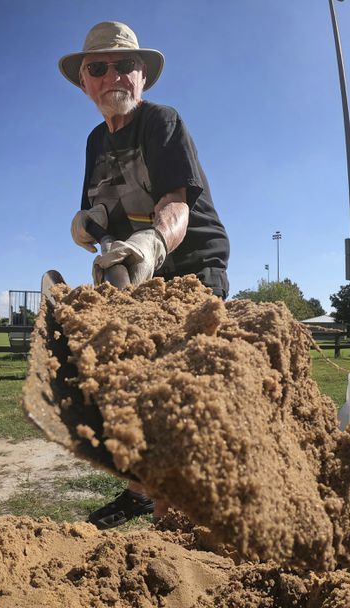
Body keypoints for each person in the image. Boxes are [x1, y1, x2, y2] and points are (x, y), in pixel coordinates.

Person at [58, 21, 230, 529]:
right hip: (139, 277)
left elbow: (176, 203)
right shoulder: (95, 141)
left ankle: (196, 509)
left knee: (182, 389)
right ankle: (144, 494)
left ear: (143, 76)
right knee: (134, 386)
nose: (113, 75)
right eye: (98, 67)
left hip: (191, 268)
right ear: (85, 82)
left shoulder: (162, 122)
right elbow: (102, 211)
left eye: (125, 65)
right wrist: (89, 224)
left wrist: (150, 242)